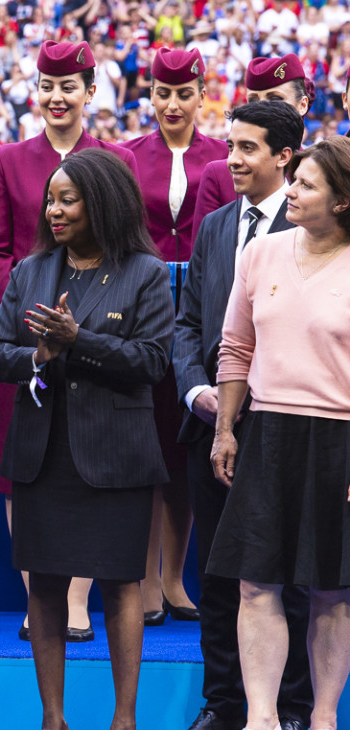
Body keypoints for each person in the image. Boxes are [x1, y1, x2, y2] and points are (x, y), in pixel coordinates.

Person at [0, 148, 174, 730]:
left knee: (122, 587)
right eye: (51, 199)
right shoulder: (32, 270)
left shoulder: (145, 271)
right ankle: (53, 728)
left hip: (116, 454)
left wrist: (77, 342)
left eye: (68, 200)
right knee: (44, 587)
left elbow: (152, 362)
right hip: (43, 451)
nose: (53, 210)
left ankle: (123, 729)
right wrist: (39, 357)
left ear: (104, 203)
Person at [160, 100, 313, 730]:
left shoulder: (317, 228)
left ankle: (294, 711)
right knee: (218, 577)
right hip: (210, 430)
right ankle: (224, 708)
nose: (233, 158)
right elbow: (188, 322)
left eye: (248, 147)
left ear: (284, 155)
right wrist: (199, 394)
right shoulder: (217, 226)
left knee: (292, 577)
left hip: (289, 429)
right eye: (231, 145)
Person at [0, 40, 139, 642]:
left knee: (87, 457)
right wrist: (26, 309)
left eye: (69, 85)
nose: (56, 96)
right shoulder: (7, 159)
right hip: (27, 335)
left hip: (98, 330)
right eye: (47, 85)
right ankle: (38, 595)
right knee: (27, 462)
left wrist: (92, 319)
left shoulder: (115, 159)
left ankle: (75, 599)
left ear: (91, 92)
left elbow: (126, 246)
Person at [205, 134, 350, 730]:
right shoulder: (259, 255)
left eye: (307, 185)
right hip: (265, 432)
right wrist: (226, 428)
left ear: (342, 202)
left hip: (340, 438)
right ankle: (259, 729)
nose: (290, 190)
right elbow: (234, 350)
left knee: (331, 592)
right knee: (255, 585)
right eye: (293, 180)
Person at [121, 46, 228, 627]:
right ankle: (141, 581)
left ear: (201, 95)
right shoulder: (126, 155)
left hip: (202, 320)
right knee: (147, 446)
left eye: (183, 93)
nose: (172, 104)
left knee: (187, 445)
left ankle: (173, 578)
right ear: (151, 96)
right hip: (141, 312)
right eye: (162, 93)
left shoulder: (225, 156)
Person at [192, 53, 312, 236]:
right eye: (254, 101)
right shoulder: (219, 175)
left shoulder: (317, 174)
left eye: (275, 100)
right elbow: (204, 258)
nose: (262, 109)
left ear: (302, 104)